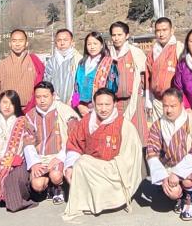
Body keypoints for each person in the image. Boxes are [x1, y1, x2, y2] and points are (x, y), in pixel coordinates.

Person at [61, 89, 144, 221]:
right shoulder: (86, 121)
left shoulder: (124, 125)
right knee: (81, 163)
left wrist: (116, 165)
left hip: (113, 171)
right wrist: (70, 166)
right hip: (91, 169)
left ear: (115, 104)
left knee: (84, 163)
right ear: (93, 104)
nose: (103, 109)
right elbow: (75, 145)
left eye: (107, 105)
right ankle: (88, 202)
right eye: (100, 105)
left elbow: (131, 156)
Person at [144, 88, 192, 221]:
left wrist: (177, 174)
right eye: (165, 106)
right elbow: (151, 150)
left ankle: (190, 201)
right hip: (169, 167)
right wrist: (164, 177)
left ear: (181, 105)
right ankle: (180, 196)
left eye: (173, 106)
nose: (169, 110)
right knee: (170, 188)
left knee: (188, 181)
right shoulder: (158, 125)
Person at [24, 81, 77, 204]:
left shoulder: (64, 111)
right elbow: (28, 142)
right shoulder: (30, 116)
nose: (42, 100)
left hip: (60, 155)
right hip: (40, 157)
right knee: (37, 185)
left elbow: (74, 136)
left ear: (53, 96)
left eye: (45, 96)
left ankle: (59, 187)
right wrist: (34, 163)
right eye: (38, 97)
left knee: (56, 175)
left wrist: (60, 157)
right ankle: (48, 187)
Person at [0, 90, 37, 212]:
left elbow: (27, 144)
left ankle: (19, 202)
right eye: (4, 102)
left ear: (16, 105)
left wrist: (11, 163)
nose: (7, 106)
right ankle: (8, 196)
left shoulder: (23, 121)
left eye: (11, 103)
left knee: (12, 180)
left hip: (18, 162)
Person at [107, 21, 149, 132]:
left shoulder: (136, 53)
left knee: (136, 134)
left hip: (134, 100)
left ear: (127, 35)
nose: (116, 38)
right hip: (113, 102)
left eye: (119, 35)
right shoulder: (107, 55)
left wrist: (145, 97)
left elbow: (145, 75)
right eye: (114, 35)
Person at [0, 29, 46, 113]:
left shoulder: (34, 61)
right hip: (8, 110)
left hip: (32, 109)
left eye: (21, 41)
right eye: (14, 41)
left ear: (26, 43)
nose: (17, 44)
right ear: (10, 44)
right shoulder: (2, 64)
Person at [71, 32, 117, 117]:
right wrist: (77, 105)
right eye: (89, 44)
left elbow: (112, 89)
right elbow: (76, 87)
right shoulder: (81, 64)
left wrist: (97, 107)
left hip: (101, 109)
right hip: (81, 109)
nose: (92, 47)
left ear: (102, 45)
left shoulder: (109, 64)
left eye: (95, 43)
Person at [146, 17, 183, 123]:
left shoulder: (178, 49)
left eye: (164, 30)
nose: (161, 34)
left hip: (174, 101)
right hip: (157, 101)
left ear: (172, 30)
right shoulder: (153, 51)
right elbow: (147, 75)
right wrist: (148, 99)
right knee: (158, 133)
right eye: (158, 31)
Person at [43, 29, 81, 111]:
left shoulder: (79, 60)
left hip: (73, 104)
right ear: (56, 43)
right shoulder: (51, 62)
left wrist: (74, 103)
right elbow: (47, 83)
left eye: (65, 40)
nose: (62, 43)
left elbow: (80, 85)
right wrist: (53, 100)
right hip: (54, 104)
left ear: (72, 42)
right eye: (59, 40)